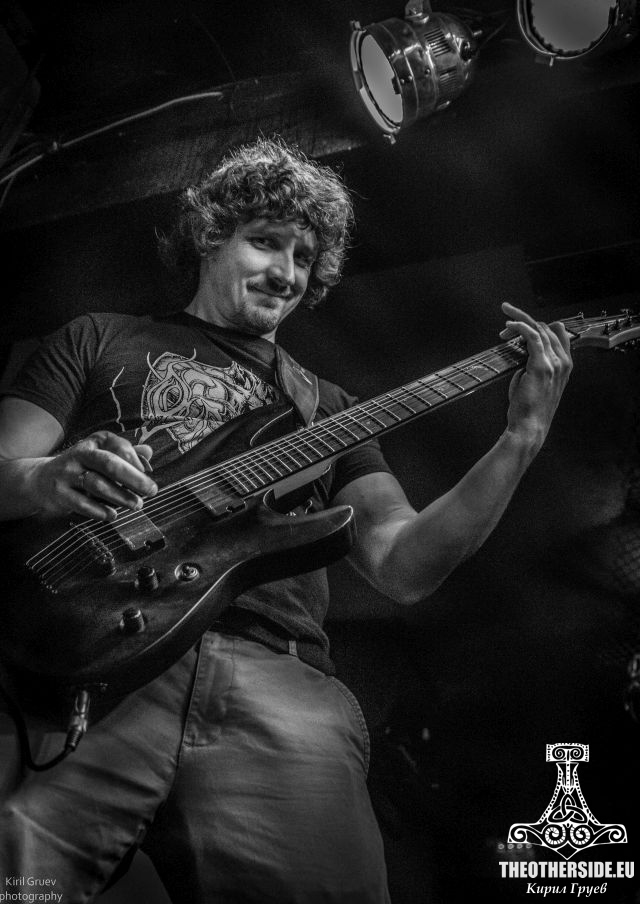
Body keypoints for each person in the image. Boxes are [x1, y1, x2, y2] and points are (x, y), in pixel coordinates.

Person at [0, 138, 572, 904]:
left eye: (304, 258)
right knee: (19, 885)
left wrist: (522, 436)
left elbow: (403, 565)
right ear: (210, 237)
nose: (286, 273)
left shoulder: (327, 408)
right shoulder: (97, 337)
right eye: (266, 242)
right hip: (82, 658)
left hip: (275, 683)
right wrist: (44, 478)